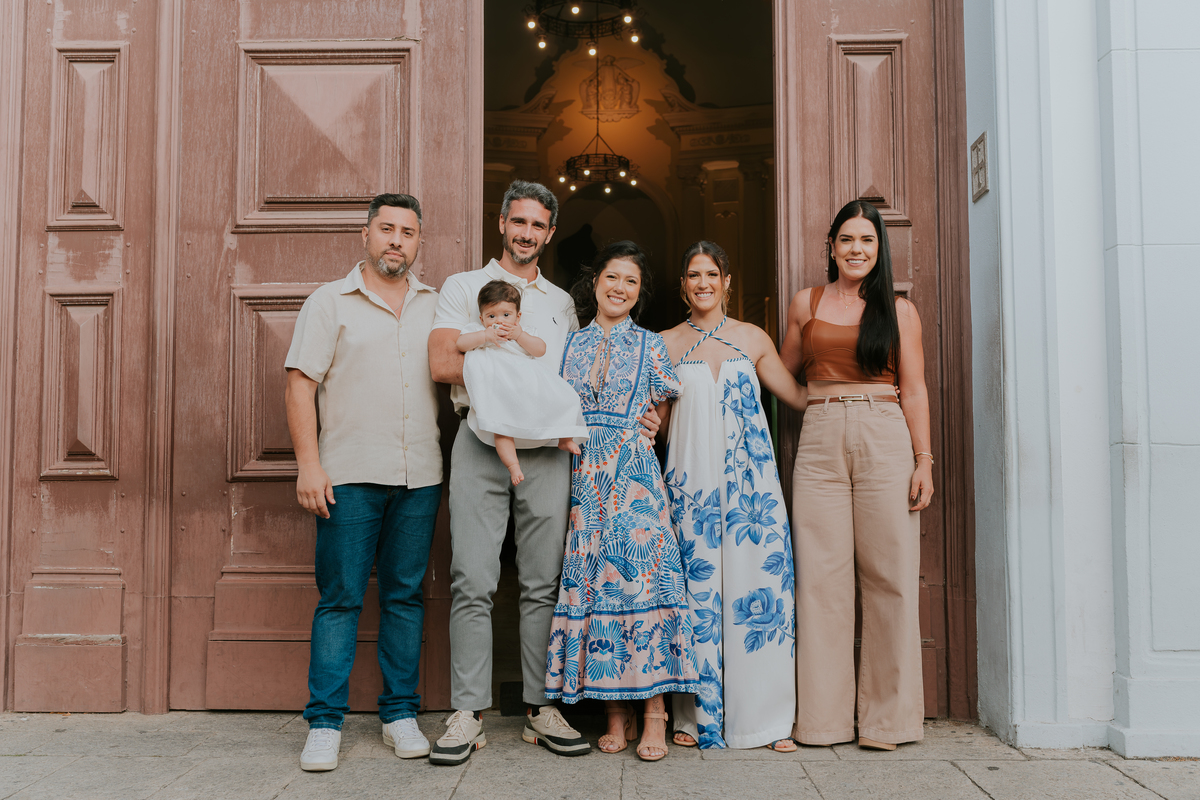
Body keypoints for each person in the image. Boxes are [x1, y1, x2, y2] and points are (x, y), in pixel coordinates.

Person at [426, 180, 591, 765]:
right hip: (480, 438)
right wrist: (500, 372)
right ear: (502, 222)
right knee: (473, 577)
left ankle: (540, 708)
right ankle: (467, 712)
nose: (527, 233)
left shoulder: (561, 302)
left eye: (538, 225)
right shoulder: (462, 287)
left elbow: (566, 376)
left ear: (550, 231)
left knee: (543, 582)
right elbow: (443, 361)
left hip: (546, 447)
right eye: (518, 221)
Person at [284, 193, 442, 772]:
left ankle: (399, 715)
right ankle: (324, 723)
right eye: (386, 229)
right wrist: (309, 464)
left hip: (420, 475)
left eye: (407, 231)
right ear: (366, 234)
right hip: (347, 475)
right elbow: (300, 383)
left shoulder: (436, 304)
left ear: (419, 241)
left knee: (403, 596)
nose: (396, 240)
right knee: (341, 597)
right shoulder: (330, 302)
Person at [778, 199, 934, 751]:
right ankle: (823, 722)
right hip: (819, 437)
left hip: (884, 432)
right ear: (832, 246)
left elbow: (913, 389)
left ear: (878, 249)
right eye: (847, 239)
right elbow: (783, 372)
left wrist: (924, 459)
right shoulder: (807, 303)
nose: (856, 249)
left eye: (866, 241)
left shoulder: (899, 312)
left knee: (889, 576)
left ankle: (888, 723)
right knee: (820, 580)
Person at [544, 240, 699, 762]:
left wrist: (655, 426)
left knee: (640, 583)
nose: (619, 288)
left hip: (634, 480)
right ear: (594, 283)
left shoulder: (652, 344)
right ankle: (616, 712)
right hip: (586, 477)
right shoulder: (568, 345)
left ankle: (654, 711)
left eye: (631, 281)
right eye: (612, 277)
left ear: (639, 292)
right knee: (595, 586)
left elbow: (666, 411)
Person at [657, 241, 809, 751]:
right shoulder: (665, 343)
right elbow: (653, 423)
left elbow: (798, 397)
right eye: (693, 274)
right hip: (689, 486)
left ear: (727, 282)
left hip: (752, 494)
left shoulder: (753, 339)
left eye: (712, 274)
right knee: (694, 597)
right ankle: (693, 717)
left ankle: (764, 721)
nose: (703, 283)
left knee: (757, 592)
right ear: (683, 285)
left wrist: (865, 387)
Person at [456, 279, 587, 484]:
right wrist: (484, 336)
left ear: (518, 317)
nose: (499, 321)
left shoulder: (523, 333)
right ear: (481, 318)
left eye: (506, 315)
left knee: (565, 397)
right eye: (491, 316)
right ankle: (513, 466)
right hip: (501, 394)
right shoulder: (478, 331)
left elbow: (540, 349)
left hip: (528, 389)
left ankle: (565, 438)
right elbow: (461, 344)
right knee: (501, 428)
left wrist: (519, 335)